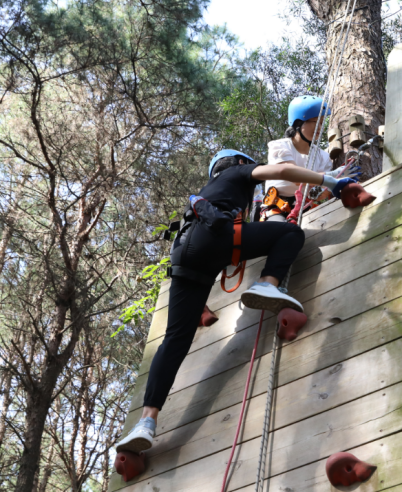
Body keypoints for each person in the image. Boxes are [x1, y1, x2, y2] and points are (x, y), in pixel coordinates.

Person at [115, 149, 356, 453]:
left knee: (175, 339)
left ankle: (146, 422)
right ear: (239, 163)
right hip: (215, 240)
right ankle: (268, 285)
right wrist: (330, 181)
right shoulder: (236, 174)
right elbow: (281, 171)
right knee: (290, 234)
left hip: (185, 252)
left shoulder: (211, 192)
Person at [262, 95, 361, 222]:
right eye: (316, 122)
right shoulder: (279, 146)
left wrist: (331, 184)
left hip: (306, 210)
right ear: (298, 122)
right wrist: (331, 175)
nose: (320, 128)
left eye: (322, 123)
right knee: (281, 230)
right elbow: (293, 175)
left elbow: (319, 195)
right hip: (277, 209)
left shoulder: (323, 156)